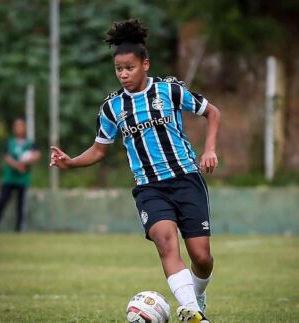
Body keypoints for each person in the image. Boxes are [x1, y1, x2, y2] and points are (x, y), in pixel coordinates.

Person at [50, 19, 220, 323]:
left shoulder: (170, 91)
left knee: (202, 258)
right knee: (166, 242)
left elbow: (212, 112)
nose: (123, 74)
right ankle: (194, 315)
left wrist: (209, 149)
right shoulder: (112, 108)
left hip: (186, 179)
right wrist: (71, 161)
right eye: (118, 69)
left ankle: (198, 296)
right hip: (149, 188)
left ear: (145, 64)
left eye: (129, 67)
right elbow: (100, 149)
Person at [0, 118, 40, 232]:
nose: (19, 128)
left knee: (21, 205)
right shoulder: (10, 142)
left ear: (25, 128)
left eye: (21, 126)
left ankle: (19, 229)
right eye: (17, 126)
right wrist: (18, 165)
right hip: (9, 178)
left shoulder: (29, 143)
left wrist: (26, 162)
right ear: (14, 129)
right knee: (1, 202)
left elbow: (37, 155)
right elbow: (7, 157)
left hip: (23, 179)